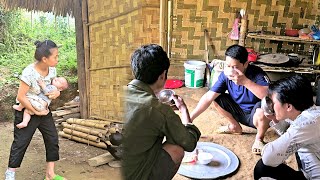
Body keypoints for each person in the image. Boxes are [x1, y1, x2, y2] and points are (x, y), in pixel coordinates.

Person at [122, 44, 201, 180]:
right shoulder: (158, 109)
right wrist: (183, 110)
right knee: (177, 149)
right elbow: (188, 143)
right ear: (163, 75)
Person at [190, 44, 270, 154]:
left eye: (235, 67)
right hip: (239, 111)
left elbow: (269, 96)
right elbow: (208, 97)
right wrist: (190, 118)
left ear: (245, 64)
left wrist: (246, 82)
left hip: (255, 117)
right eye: (228, 66)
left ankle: (259, 139)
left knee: (264, 107)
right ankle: (235, 127)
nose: (231, 70)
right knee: (218, 98)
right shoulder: (226, 75)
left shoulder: (257, 73)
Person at [5, 40, 66, 180]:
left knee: (52, 139)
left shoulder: (52, 70)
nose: (57, 59)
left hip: (43, 109)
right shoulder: (29, 73)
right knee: (21, 142)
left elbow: (53, 89)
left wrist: (57, 93)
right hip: (27, 108)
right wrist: (36, 111)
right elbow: (21, 97)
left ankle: (50, 175)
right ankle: (10, 173)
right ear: (44, 59)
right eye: (55, 56)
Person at [254, 74, 320, 180]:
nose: (272, 106)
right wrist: (274, 118)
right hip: (308, 173)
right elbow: (289, 134)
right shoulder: (312, 113)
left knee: (262, 168)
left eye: (274, 103)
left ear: (288, 106)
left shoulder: (306, 124)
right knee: (263, 168)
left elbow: (268, 157)